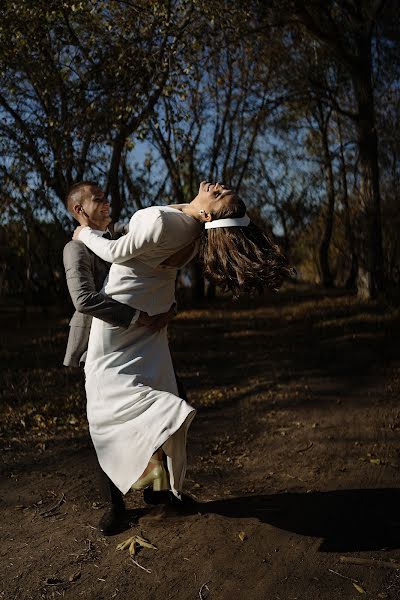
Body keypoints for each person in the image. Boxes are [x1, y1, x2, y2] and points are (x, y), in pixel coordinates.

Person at [72, 180, 292, 519]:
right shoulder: (196, 230)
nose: (217, 186)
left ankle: (132, 500)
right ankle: (155, 492)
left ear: (208, 212)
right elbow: (162, 272)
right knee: (153, 394)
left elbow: (116, 252)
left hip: (123, 328)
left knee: (108, 410)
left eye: (219, 195)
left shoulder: (166, 223)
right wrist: (170, 306)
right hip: (148, 321)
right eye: (222, 189)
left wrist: (84, 233)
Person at [63, 181, 176, 535]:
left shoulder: (124, 237)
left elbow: (158, 268)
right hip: (102, 349)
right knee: (107, 425)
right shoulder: (75, 250)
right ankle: (115, 506)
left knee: (165, 406)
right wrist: (136, 316)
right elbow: (83, 299)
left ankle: (158, 493)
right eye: (98, 200)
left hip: (143, 344)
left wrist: (169, 308)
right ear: (80, 210)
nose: (107, 203)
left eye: (106, 197)